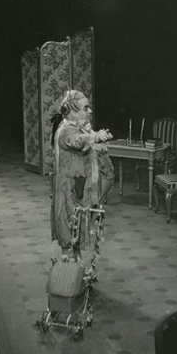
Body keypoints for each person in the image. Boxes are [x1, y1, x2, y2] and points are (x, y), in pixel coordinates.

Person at [50, 90, 114, 261]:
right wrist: (95, 137)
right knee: (69, 231)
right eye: (85, 108)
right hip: (68, 190)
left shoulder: (76, 127)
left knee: (75, 233)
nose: (90, 111)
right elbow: (77, 141)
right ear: (72, 112)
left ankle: (75, 273)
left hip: (76, 188)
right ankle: (68, 278)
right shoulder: (66, 131)